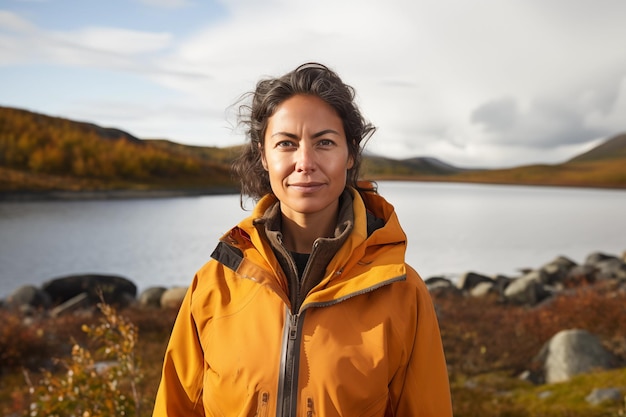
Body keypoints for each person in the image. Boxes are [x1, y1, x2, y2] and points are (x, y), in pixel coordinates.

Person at [152, 62, 452, 417]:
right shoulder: (212, 286)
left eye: (324, 142)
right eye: (286, 144)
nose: (305, 162)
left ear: (350, 153)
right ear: (263, 156)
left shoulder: (403, 293)